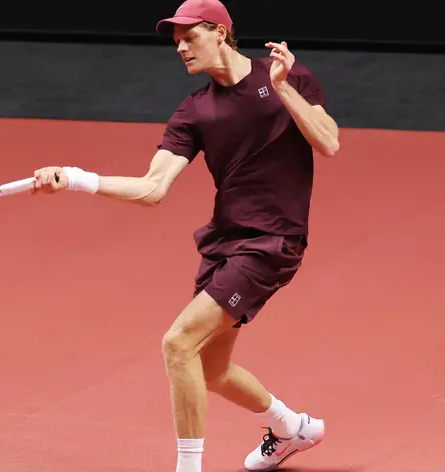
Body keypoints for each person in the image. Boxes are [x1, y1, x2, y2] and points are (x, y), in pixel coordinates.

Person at [30, 0, 340, 470]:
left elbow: (329, 142)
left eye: (189, 37)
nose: (180, 48)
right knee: (211, 368)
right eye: (176, 41)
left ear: (220, 33)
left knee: (178, 343)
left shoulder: (287, 76)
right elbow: (152, 188)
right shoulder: (195, 111)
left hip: (272, 241)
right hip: (225, 242)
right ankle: (293, 428)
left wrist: (282, 89)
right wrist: (75, 178)